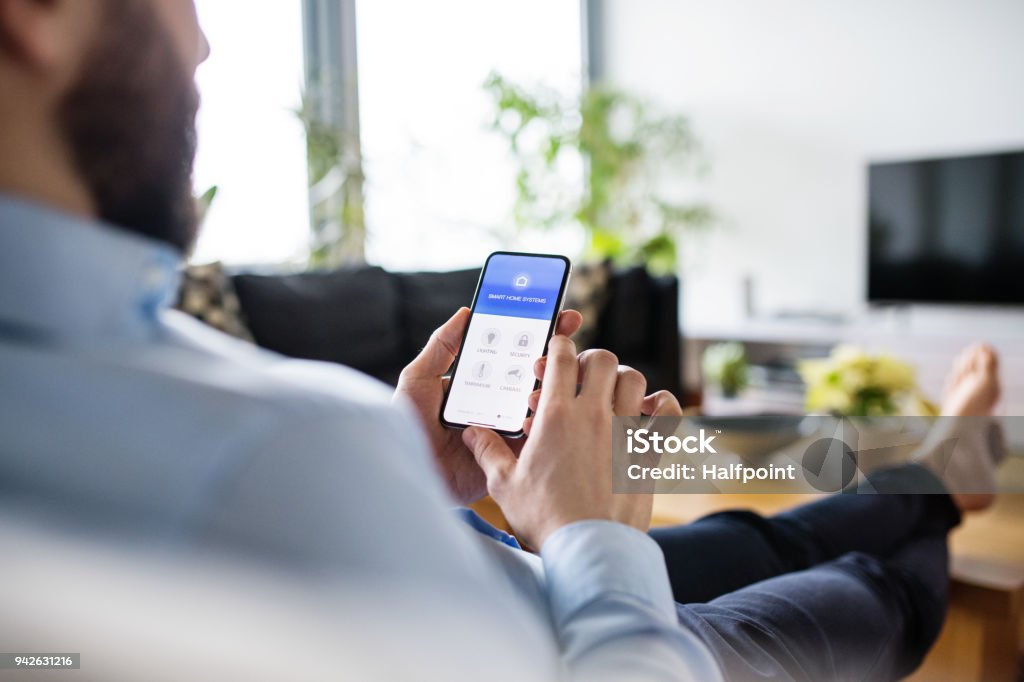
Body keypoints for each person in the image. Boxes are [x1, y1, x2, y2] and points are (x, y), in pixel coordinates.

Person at [0, 1, 1005, 680]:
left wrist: (413, 485)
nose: (203, 40)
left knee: (762, 532)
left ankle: (940, 466)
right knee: (870, 589)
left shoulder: (103, 366)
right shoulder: (268, 456)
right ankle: (942, 493)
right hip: (614, 640)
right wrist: (589, 533)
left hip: (498, 570)